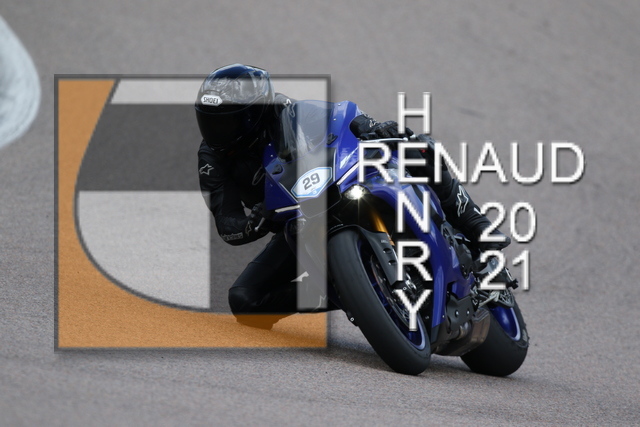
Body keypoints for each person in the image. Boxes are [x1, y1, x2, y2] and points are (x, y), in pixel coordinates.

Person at [196, 64, 511, 329]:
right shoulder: (212, 158)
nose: (215, 131)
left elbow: (341, 118)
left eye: (225, 121)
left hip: (340, 185)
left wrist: (372, 127)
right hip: (297, 221)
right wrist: (253, 224)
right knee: (245, 300)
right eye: (208, 121)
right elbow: (226, 222)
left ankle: (477, 226)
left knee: (416, 146)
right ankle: (354, 292)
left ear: (254, 113)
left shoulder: (286, 112)